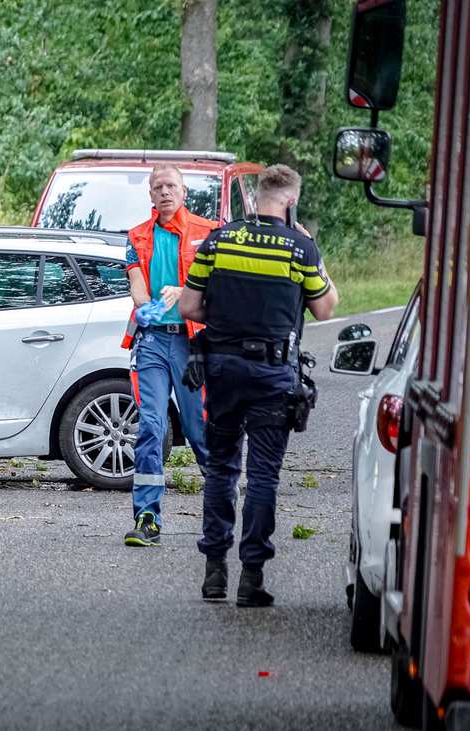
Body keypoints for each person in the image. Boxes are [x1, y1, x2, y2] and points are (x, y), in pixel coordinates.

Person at [179, 163, 338, 607]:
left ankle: (214, 572)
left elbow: (190, 306)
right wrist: (312, 246)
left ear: (255, 197)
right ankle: (251, 577)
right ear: (290, 201)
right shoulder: (299, 247)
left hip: (224, 369)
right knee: (263, 474)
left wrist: (229, 321)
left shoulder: (220, 239)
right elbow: (326, 309)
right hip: (272, 373)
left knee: (222, 467)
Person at [120, 164, 213, 547]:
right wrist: (146, 307)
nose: (164, 192)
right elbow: (138, 289)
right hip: (154, 342)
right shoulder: (137, 236)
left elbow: (219, 288)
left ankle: (223, 503)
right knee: (151, 428)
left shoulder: (208, 234)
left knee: (198, 429)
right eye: (157, 187)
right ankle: (147, 517)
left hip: (192, 345)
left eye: (170, 185)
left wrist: (184, 292)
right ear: (151, 195)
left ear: (184, 191)